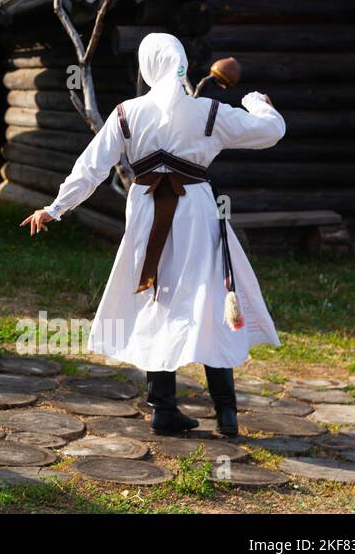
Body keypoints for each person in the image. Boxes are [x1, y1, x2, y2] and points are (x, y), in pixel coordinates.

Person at [19, 32, 284, 436]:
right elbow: (270, 132)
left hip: (145, 211)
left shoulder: (127, 113)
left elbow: (91, 167)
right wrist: (255, 102)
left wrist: (56, 208)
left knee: (157, 300)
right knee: (208, 299)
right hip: (195, 214)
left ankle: (163, 408)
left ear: (149, 66)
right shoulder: (209, 112)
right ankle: (225, 411)